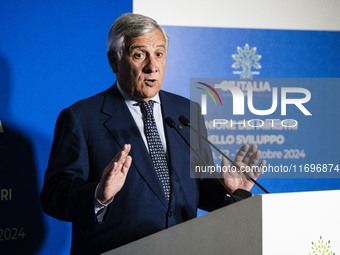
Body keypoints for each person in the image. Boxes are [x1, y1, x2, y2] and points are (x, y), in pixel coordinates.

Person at [40, 13, 265, 255]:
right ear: (114, 61)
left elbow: (196, 193)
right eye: (139, 55)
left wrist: (229, 189)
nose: (152, 66)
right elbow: (54, 196)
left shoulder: (187, 112)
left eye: (159, 53)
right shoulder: (82, 117)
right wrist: (99, 195)